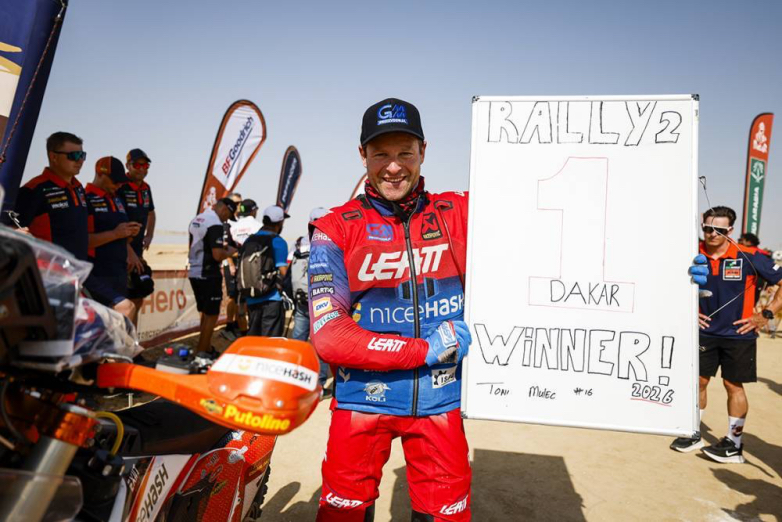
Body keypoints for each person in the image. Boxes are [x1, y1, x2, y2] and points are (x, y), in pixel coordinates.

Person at [308, 98, 472, 521]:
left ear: (423, 151)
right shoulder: (334, 228)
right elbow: (330, 336)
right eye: (381, 154)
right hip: (361, 403)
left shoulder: (459, 212)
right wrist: (424, 350)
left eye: (405, 152)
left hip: (440, 403)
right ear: (362, 154)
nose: (394, 167)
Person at [671, 206, 782, 463]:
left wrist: (765, 315)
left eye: (718, 230)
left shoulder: (751, 256)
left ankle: (733, 444)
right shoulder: (692, 253)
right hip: (703, 332)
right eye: (708, 228)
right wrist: (686, 312)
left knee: (733, 385)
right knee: (698, 382)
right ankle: (693, 433)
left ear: (730, 230)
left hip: (739, 334)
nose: (712, 234)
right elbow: (669, 285)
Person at [15, 132, 90, 258]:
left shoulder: (78, 188)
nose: (80, 161)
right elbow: (12, 230)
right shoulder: (33, 189)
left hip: (76, 267)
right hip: (47, 267)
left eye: (82, 155)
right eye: (74, 155)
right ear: (54, 157)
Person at [85, 156, 141, 320]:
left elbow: (120, 237)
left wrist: (130, 234)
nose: (118, 185)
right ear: (99, 174)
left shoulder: (116, 199)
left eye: (120, 182)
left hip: (119, 272)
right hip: (98, 273)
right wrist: (116, 234)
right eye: (115, 181)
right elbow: (82, 241)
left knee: (119, 323)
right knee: (103, 323)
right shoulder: (85, 199)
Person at [286, 207, 329, 387]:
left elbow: (288, 269)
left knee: (298, 340)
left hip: (301, 299)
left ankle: (293, 378)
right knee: (322, 342)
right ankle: (318, 383)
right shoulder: (332, 241)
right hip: (323, 300)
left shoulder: (299, 242)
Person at [188, 197, 237, 354]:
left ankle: (206, 347)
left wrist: (221, 247)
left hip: (194, 271)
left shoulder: (198, 218)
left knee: (205, 313)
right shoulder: (215, 223)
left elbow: (203, 244)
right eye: (228, 216)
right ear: (224, 209)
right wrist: (230, 251)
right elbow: (217, 255)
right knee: (212, 315)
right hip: (208, 273)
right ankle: (202, 352)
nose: (226, 220)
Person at [117, 148, 156, 323]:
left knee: (138, 297)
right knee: (124, 302)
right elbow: (115, 222)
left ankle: (132, 337)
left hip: (137, 252)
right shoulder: (120, 186)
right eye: (137, 165)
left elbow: (151, 213)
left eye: (145, 165)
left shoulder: (146, 188)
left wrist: (149, 235)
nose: (142, 169)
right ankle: (124, 337)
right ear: (128, 165)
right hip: (121, 251)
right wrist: (129, 251)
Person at [243, 205, 290, 337]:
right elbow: (283, 271)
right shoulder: (277, 241)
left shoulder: (249, 240)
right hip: (271, 299)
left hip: (251, 297)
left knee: (254, 339)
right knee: (271, 341)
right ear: (279, 223)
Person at [221, 193, 245, 340]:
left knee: (239, 296)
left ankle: (236, 323)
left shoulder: (239, 221)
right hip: (230, 264)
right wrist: (230, 264)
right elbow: (225, 247)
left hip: (240, 264)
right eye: (236, 203)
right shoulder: (227, 222)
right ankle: (228, 325)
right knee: (232, 295)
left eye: (240, 203)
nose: (238, 206)